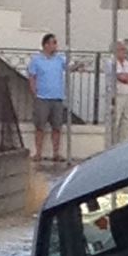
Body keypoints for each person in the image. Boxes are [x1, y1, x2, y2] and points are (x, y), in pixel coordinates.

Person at [27, 33, 73, 162]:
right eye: (53, 43)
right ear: (46, 44)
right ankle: (38, 153)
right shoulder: (36, 60)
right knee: (40, 126)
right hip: (42, 97)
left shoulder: (59, 59)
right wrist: (34, 92)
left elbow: (69, 67)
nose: (55, 46)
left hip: (57, 97)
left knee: (57, 127)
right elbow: (32, 77)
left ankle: (56, 153)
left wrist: (77, 65)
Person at [107, 41, 128, 145]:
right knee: (114, 121)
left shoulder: (127, 63)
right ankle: (110, 145)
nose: (124, 52)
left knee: (127, 121)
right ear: (115, 51)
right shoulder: (110, 62)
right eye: (122, 49)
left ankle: (123, 145)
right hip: (117, 95)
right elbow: (121, 78)